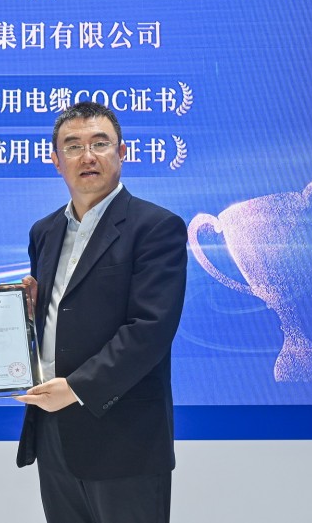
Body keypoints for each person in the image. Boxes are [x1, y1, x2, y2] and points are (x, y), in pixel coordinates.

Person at [15, 101, 188, 523]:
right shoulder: (44, 231)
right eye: (73, 146)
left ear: (121, 152)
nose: (87, 156)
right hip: (54, 432)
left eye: (100, 143)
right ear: (56, 161)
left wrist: (76, 388)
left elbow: (149, 330)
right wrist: (28, 317)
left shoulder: (155, 227)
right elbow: (65, 315)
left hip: (124, 437)